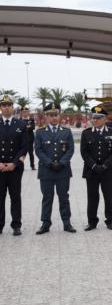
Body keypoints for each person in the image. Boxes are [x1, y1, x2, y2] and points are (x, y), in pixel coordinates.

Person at [35, 103, 76, 234]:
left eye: (56, 115)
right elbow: (38, 150)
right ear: (46, 117)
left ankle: (67, 223)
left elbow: (70, 149)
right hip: (46, 171)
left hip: (62, 171)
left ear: (60, 116)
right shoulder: (40, 132)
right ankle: (45, 224)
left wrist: (62, 162)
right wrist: (50, 163)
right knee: (47, 198)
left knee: (64, 197)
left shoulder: (66, 132)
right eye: (51, 115)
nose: (54, 118)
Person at [81, 106, 112, 231]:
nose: (95, 120)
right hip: (91, 171)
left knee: (108, 196)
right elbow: (84, 152)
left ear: (105, 119)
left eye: (98, 118)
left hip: (107, 171)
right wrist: (93, 165)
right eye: (94, 118)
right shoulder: (86, 133)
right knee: (92, 196)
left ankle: (110, 220)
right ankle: (92, 221)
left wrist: (104, 166)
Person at [0, 95, 27, 236]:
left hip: (15, 168)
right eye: (3, 105)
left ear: (12, 107)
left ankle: (16, 225)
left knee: (15, 197)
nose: (6, 107)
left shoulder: (21, 125)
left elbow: (24, 147)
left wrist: (14, 163)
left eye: (9, 104)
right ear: (0, 107)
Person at [21, 106, 36, 170]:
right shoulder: (19, 120)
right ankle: (21, 166)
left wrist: (24, 128)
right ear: (21, 113)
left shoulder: (31, 120)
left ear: (28, 112)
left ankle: (32, 166)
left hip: (30, 139)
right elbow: (19, 129)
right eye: (23, 112)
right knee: (22, 154)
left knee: (31, 154)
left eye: (26, 112)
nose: (25, 113)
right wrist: (27, 127)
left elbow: (33, 127)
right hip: (22, 140)